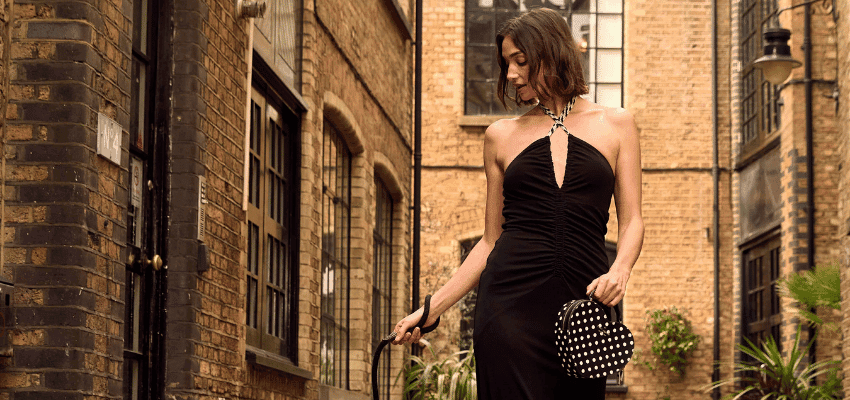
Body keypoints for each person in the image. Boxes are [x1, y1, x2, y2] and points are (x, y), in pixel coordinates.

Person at [393, 7, 644, 399]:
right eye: (506, 62)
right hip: (508, 308)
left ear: (552, 53)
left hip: (582, 314)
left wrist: (621, 269)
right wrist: (431, 310)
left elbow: (632, 222)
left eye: (520, 61)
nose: (510, 74)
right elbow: (491, 241)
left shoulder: (617, 124)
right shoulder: (501, 135)